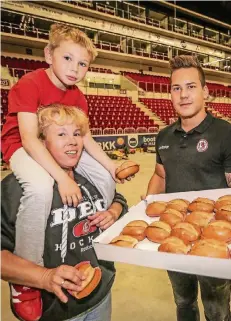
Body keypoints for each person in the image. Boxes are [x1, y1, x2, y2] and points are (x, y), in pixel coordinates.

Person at [1, 23, 131, 319]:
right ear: (49, 55)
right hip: (22, 146)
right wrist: (61, 178)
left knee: (102, 177)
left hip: (51, 142)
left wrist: (111, 166)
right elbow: (30, 139)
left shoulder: (77, 96)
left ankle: (101, 214)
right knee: (39, 187)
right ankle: (26, 280)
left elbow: (85, 139)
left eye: (83, 63)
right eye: (68, 58)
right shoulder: (30, 84)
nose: (75, 69)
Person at [145, 55, 231, 321]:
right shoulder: (163, 136)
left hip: (213, 239)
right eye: (176, 88)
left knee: (217, 312)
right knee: (183, 303)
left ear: (205, 92)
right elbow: (160, 175)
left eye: (191, 87)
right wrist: (148, 200)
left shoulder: (225, 133)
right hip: (175, 233)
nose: (183, 95)